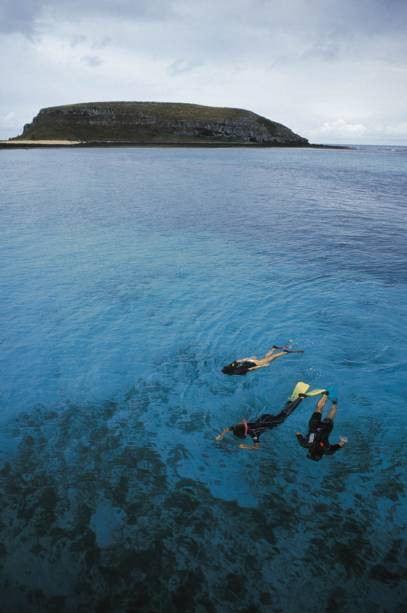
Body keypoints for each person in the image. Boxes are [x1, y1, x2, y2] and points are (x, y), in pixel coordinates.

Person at [215, 382, 317, 449]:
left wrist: (246, 446)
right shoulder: (237, 426)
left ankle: (300, 398)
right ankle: (291, 400)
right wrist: (221, 435)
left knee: (283, 416)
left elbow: (257, 446)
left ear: (244, 434)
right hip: (264, 418)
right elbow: (228, 429)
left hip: (269, 422)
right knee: (281, 413)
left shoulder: (254, 434)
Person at [295, 392, 347, 461]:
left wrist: (343, 440)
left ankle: (334, 403)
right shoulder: (305, 444)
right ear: (310, 452)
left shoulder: (327, 450)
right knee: (319, 408)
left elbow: (340, 444)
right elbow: (297, 433)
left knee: (330, 417)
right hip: (314, 425)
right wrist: (307, 435)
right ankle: (325, 395)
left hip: (326, 428)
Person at [221, 345, 303, 376]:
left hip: (254, 363)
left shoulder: (236, 372)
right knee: (266, 358)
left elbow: (251, 369)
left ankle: (285, 352)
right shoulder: (231, 365)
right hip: (250, 361)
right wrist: (248, 358)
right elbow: (238, 361)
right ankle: (273, 349)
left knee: (272, 358)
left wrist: (262, 366)